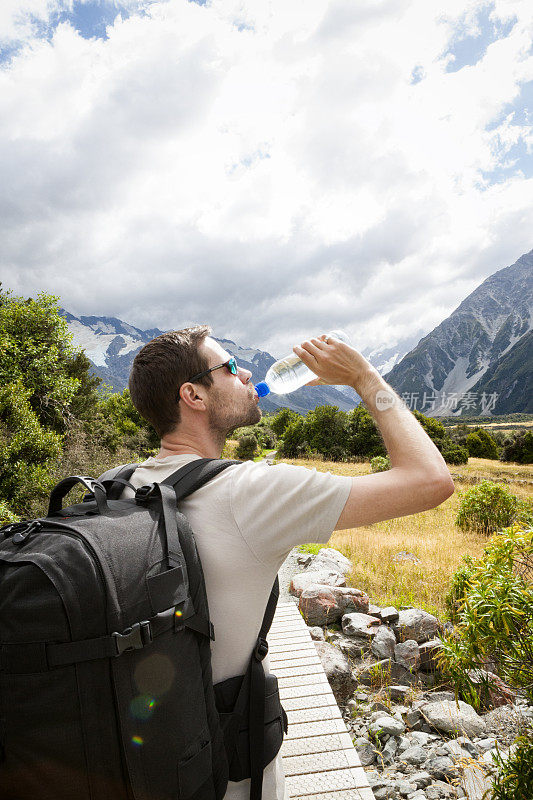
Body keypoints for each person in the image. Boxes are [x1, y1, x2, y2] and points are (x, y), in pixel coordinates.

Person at [124, 325, 455, 800]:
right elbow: (431, 480)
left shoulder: (121, 484)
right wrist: (364, 377)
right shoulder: (252, 492)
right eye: (231, 368)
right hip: (220, 770)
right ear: (192, 395)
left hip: (139, 751)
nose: (249, 373)